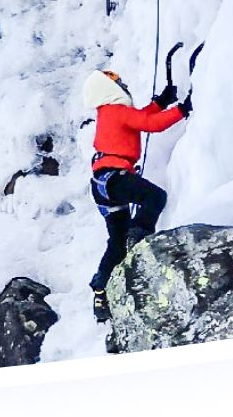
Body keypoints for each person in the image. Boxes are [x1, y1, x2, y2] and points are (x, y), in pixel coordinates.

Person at [81, 68, 190, 322]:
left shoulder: (108, 113)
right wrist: (183, 109)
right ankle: (138, 235)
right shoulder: (115, 111)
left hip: (103, 185)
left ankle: (101, 290)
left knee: (116, 242)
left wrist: (161, 102)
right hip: (115, 178)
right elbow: (150, 124)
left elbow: (139, 118)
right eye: (118, 82)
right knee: (155, 198)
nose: (123, 84)